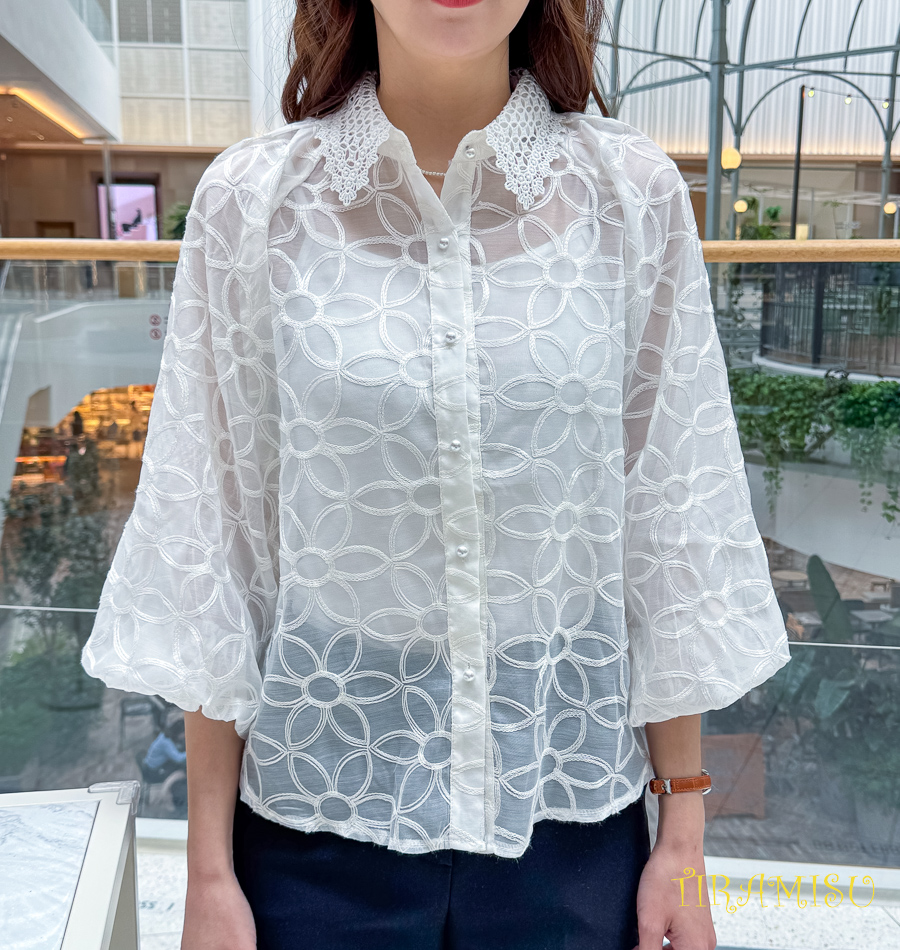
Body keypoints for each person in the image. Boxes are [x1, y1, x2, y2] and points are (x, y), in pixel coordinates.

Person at [81, 1, 792, 948]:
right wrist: (207, 873)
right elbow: (216, 541)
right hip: (317, 824)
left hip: (568, 816)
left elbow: (670, 524)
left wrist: (684, 841)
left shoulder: (632, 196)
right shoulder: (252, 204)